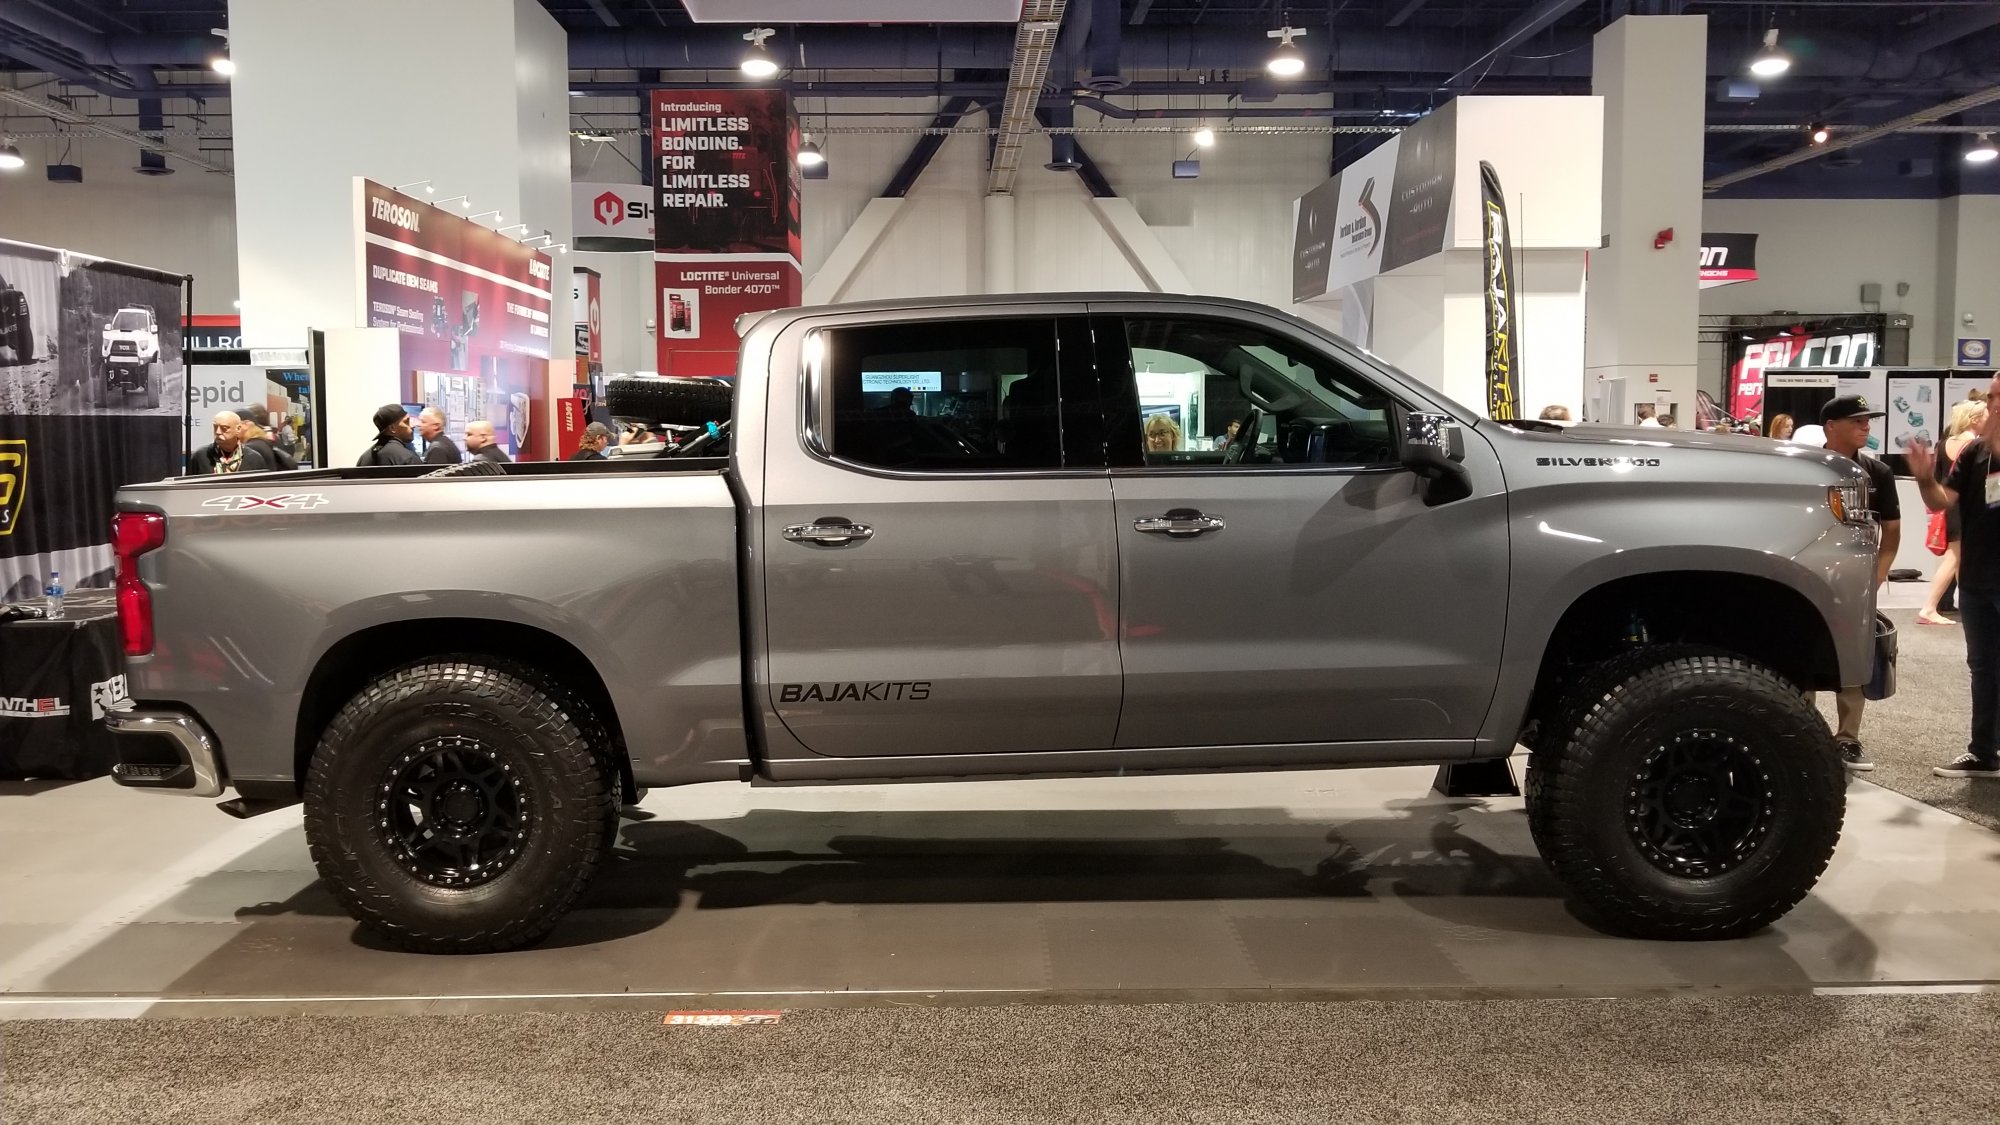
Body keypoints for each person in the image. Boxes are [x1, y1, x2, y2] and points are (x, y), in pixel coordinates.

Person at [1908, 374, 2000, 780]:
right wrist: (1925, 478)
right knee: (1983, 666)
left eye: (1998, 397)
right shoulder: (1976, 451)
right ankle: (1984, 752)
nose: (1993, 403)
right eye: (1992, 396)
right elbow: (1943, 500)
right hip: (1978, 578)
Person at [1818, 395, 1900, 772]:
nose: (1866, 426)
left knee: (1853, 656)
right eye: (1857, 420)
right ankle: (1802, 732)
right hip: (1812, 576)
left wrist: (1877, 575)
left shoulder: (1877, 472)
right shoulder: (1808, 467)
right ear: (1831, 426)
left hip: (1856, 580)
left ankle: (1848, 738)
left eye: (1867, 420)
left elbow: (1892, 531)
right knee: (1802, 649)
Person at [1919, 399, 1989, 626]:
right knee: (1955, 557)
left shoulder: (1945, 443)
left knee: (1959, 559)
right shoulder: (1974, 445)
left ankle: (1969, 608)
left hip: (1948, 507)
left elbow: (1940, 478)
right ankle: (1929, 607)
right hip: (1963, 508)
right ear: (1974, 420)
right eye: (1985, 415)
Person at [188, 410, 270, 475]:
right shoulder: (201, 456)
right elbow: (187, 487)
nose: (218, 432)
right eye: (215, 427)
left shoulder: (254, 458)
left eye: (224, 428)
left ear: (238, 429)